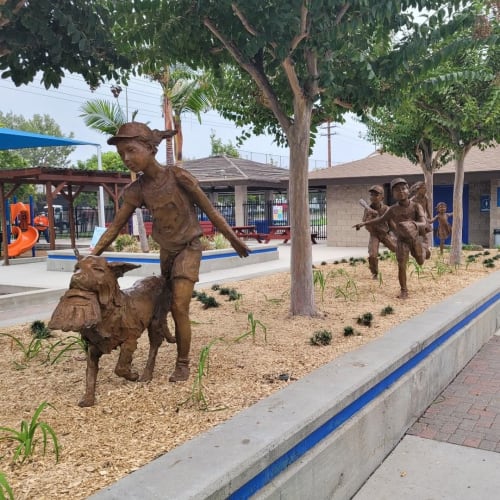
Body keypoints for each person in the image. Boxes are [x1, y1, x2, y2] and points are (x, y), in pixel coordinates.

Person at [91, 122, 250, 382]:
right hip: (167, 251)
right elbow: (115, 227)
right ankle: (161, 339)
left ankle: (183, 363)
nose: (127, 159)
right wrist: (93, 254)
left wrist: (234, 240)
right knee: (161, 304)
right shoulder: (137, 191)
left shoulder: (178, 177)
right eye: (122, 155)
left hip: (190, 247)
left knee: (179, 305)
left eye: (131, 150)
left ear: (150, 148)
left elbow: (210, 211)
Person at [354, 178, 430, 299]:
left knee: (420, 261)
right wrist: (362, 224)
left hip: (414, 239)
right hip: (401, 240)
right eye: (396, 190)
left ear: (408, 191)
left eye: (403, 188)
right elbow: (380, 219)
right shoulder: (392, 209)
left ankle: (425, 250)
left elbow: (424, 223)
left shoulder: (416, 206)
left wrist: (413, 224)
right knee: (401, 265)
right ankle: (404, 290)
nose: (401, 192)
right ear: (393, 194)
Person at [359, 185, 397, 279]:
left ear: (382, 197)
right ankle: (374, 273)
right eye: (372, 195)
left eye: (376, 195)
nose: (373, 197)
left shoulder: (386, 209)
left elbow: (392, 224)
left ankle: (403, 266)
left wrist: (398, 233)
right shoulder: (367, 210)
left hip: (384, 234)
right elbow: (365, 224)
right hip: (374, 235)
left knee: (397, 249)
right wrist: (370, 218)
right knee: (372, 255)